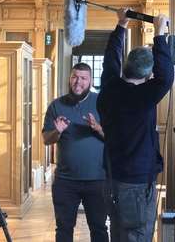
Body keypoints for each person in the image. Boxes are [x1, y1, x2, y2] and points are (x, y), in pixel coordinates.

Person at [97, 9, 174, 242]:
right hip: (136, 184)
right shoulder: (142, 96)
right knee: (137, 236)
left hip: (112, 177)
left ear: (126, 66)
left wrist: (121, 25)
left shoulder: (110, 87)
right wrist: (160, 34)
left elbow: (110, 59)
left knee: (119, 234)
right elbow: (166, 78)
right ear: (148, 74)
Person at [42, 62, 108, 242]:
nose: (78, 82)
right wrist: (58, 131)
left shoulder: (101, 102)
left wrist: (98, 128)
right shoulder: (56, 105)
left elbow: (115, 139)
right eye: (74, 77)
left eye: (83, 78)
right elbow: (47, 140)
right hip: (65, 182)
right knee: (63, 229)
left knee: (99, 229)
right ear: (70, 78)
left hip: (98, 180)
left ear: (90, 80)